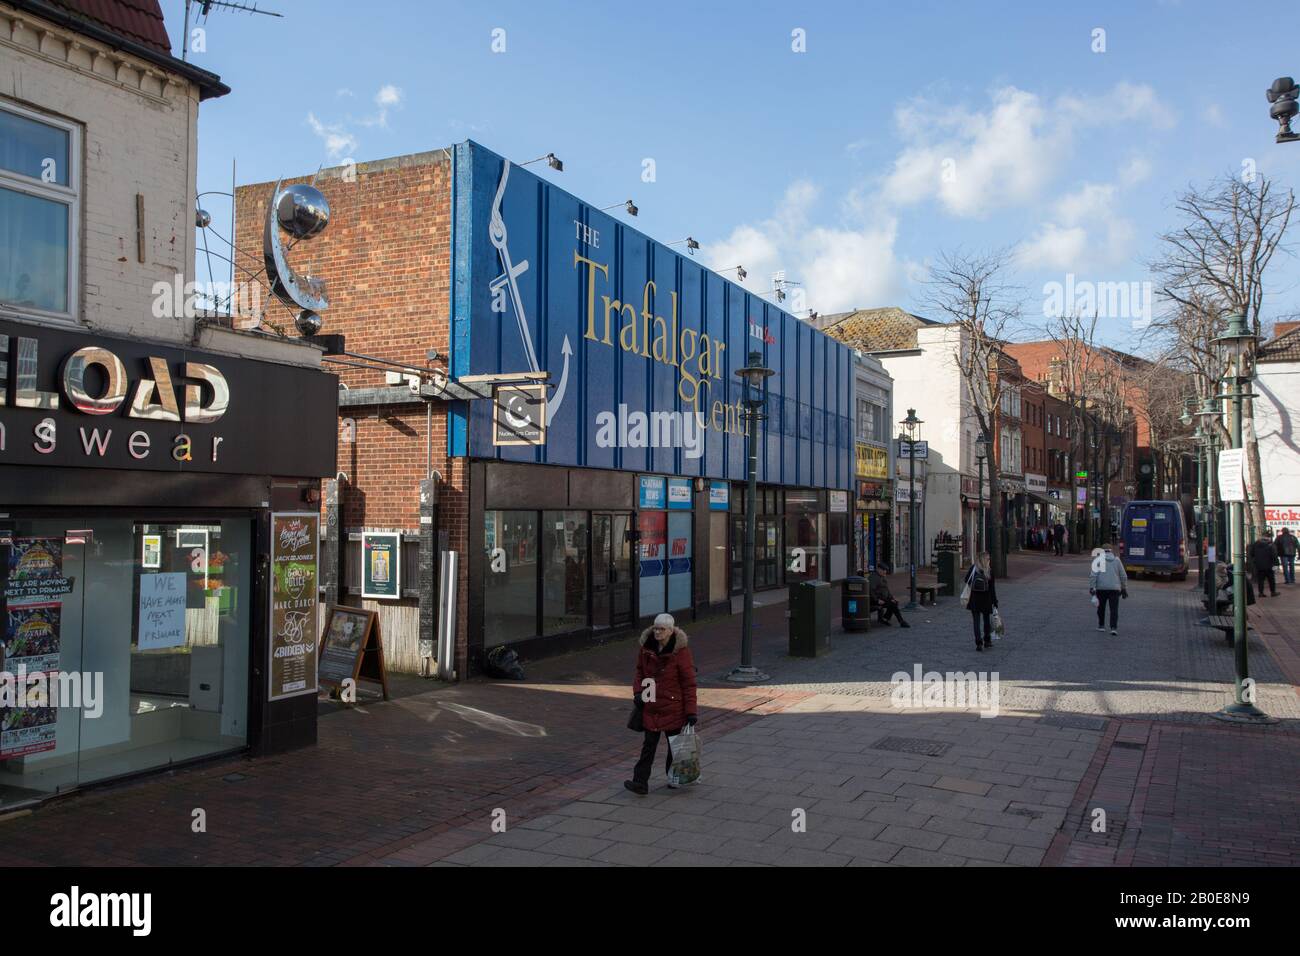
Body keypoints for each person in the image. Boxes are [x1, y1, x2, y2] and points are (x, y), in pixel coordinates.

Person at [625, 613, 697, 796]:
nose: (657, 632)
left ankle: (674, 778)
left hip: (673, 706)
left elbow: (688, 683)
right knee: (648, 745)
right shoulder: (646, 649)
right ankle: (640, 782)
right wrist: (638, 693)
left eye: (661, 629)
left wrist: (691, 712)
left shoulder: (681, 652)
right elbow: (640, 672)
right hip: (651, 705)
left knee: (674, 744)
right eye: (655, 628)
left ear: (671, 631)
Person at [1088, 542, 1128, 635]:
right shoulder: (1117, 560)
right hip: (1114, 588)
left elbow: (1093, 575)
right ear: (1111, 551)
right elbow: (1123, 576)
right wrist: (1124, 588)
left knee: (1101, 608)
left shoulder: (1098, 560)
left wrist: (1092, 587)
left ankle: (1101, 625)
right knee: (1114, 609)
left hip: (1101, 588)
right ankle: (1113, 628)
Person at [963, 552, 998, 651]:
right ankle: (987, 640)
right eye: (988, 559)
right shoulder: (989, 571)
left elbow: (966, 580)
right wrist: (995, 601)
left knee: (976, 621)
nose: (989, 560)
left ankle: (978, 643)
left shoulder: (974, 569)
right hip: (986, 599)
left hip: (974, 599)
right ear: (986, 560)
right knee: (986, 620)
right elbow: (992, 589)